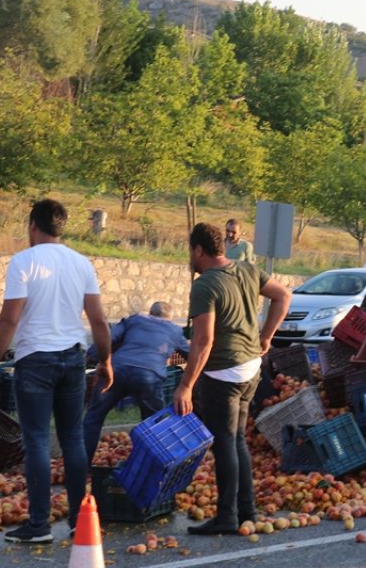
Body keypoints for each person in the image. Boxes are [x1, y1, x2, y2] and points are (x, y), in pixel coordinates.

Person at [0, 200, 112, 544]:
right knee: (72, 439)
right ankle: (79, 519)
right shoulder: (81, 263)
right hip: (73, 359)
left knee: (36, 438)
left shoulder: (23, 261)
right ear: (61, 227)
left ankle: (38, 525)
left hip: (35, 361)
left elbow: (9, 319)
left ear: (33, 225)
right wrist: (106, 360)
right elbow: (98, 320)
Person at [173, 222, 290, 535]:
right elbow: (283, 296)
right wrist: (266, 337)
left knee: (225, 443)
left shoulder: (205, 285)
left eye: (191, 252)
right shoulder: (248, 269)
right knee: (236, 440)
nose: (191, 258)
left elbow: (203, 341)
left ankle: (227, 516)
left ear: (199, 250)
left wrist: (186, 385)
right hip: (251, 368)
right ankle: (246, 511)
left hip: (223, 373)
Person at [82, 301, 188, 464]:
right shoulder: (175, 330)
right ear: (170, 319)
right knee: (154, 425)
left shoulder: (134, 320)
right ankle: (150, 467)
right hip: (149, 378)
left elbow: (109, 338)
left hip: (116, 372)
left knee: (93, 418)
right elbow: (191, 353)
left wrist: (92, 357)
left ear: (151, 313)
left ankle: (81, 466)